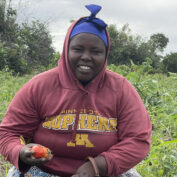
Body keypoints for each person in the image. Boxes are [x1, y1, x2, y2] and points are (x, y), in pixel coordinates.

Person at [0, 4, 151, 177]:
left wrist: (98, 166)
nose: (86, 57)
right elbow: (8, 133)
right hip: (43, 172)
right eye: (78, 49)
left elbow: (138, 141)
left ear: (105, 54)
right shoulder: (40, 86)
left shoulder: (121, 89)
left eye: (96, 51)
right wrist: (19, 151)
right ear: (66, 50)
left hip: (104, 172)